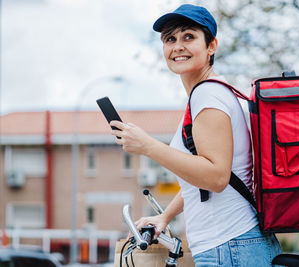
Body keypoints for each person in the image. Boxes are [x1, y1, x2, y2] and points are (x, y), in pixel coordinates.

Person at [110, 4, 281, 266]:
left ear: (211, 46)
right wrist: (165, 217)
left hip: (231, 247)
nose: (178, 46)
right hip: (231, 246)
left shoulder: (208, 95)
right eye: (170, 39)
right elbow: (199, 179)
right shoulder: (205, 95)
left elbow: (216, 177)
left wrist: (148, 146)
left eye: (188, 36)